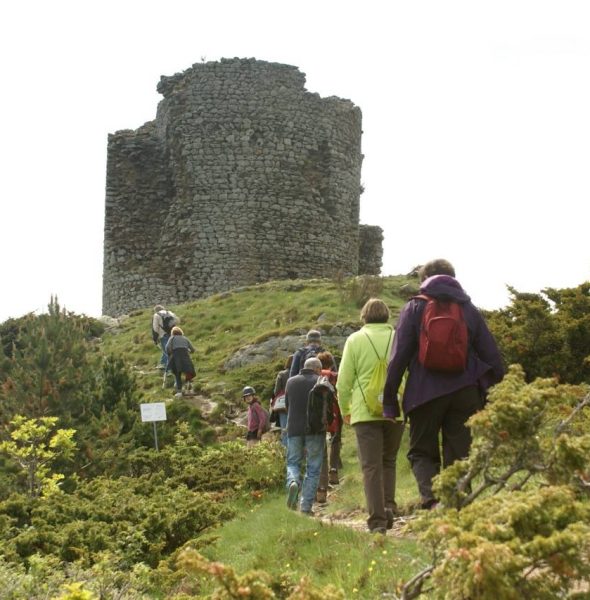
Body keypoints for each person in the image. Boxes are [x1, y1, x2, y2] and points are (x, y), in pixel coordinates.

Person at [383, 259, 505, 510]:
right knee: (460, 454)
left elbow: (398, 358)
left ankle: (432, 501)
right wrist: (493, 394)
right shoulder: (468, 308)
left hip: (423, 393)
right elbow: (492, 356)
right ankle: (457, 506)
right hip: (464, 392)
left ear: (424, 279)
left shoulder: (414, 307)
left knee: (421, 452)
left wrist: (390, 401)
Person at [337, 298, 403, 534]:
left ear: (364, 316)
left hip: (365, 412)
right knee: (389, 461)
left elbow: (343, 382)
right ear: (386, 316)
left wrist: (345, 409)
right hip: (395, 408)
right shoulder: (398, 337)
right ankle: (389, 507)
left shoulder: (355, 340)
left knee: (371, 466)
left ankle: (377, 521)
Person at [285, 357, 325, 515]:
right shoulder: (320, 381)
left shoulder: (291, 382)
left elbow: (287, 405)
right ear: (317, 369)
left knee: (293, 462)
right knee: (313, 468)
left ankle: (293, 481)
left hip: (294, 429)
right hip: (315, 430)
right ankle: (306, 507)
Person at [316, 351, 343, 504]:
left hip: (319, 414)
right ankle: (333, 470)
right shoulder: (334, 375)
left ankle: (322, 483)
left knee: (321, 445)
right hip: (335, 410)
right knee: (335, 439)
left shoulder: (316, 376)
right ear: (331, 363)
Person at [165, 326, 196, 397]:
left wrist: (170, 353)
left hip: (176, 357)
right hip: (185, 357)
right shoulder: (185, 339)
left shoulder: (172, 338)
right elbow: (193, 349)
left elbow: (167, 348)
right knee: (188, 372)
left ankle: (179, 391)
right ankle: (189, 387)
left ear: (173, 333)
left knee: (177, 374)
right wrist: (188, 351)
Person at [271, 355, 293, 448]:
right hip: (295, 405)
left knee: (284, 430)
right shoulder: (298, 374)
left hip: (283, 405)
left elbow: (276, 391)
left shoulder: (281, 374)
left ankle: (285, 453)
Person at [152, 305, 178, 370]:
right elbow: (177, 321)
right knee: (168, 349)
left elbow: (155, 328)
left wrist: (155, 338)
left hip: (163, 334)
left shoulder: (156, 315)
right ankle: (163, 363)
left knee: (166, 350)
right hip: (172, 333)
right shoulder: (169, 312)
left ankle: (168, 367)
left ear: (156, 310)